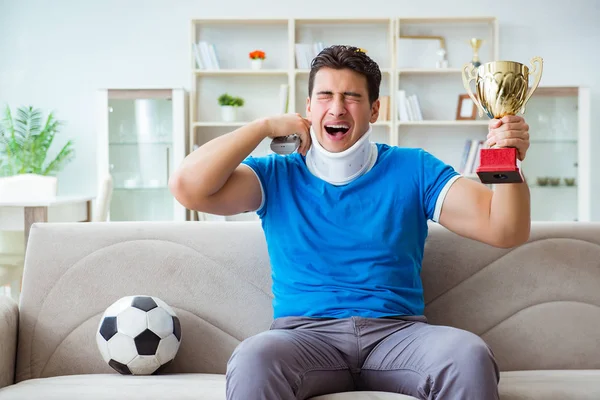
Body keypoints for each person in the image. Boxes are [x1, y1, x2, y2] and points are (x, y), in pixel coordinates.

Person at [169, 44, 531, 400]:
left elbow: (504, 228)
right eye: (325, 95)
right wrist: (263, 126)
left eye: (351, 96)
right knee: (252, 358)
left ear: (374, 109)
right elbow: (187, 187)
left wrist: (507, 156)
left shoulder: (413, 168)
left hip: (398, 336)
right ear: (308, 107)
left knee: (467, 355)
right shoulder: (275, 175)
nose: (337, 108)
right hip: (302, 339)